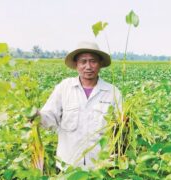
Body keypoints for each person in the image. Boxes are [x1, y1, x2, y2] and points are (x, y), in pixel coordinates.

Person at [36, 41, 122, 169]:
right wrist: (37, 116)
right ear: (76, 65)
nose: (88, 66)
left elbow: (121, 129)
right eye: (83, 61)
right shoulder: (64, 88)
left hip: (101, 167)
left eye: (93, 61)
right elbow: (49, 118)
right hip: (68, 165)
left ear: (100, 64)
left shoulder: (113, 92)